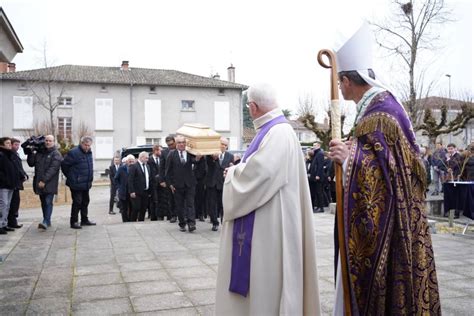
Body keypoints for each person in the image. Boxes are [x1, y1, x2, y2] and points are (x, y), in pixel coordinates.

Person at [328, 23, 440, 315]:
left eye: (340, 83)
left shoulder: (381, 114)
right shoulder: (378, 107)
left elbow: (384, 171)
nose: (339, 88)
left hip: (393, 222)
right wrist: (353, 152)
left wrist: (349, 158)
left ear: (348, 80)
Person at [214, 83, 321, 315]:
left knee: (267, 285)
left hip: (271, 223)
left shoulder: (278, 132)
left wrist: (232, 174)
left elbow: (260, 174)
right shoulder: (274, 130)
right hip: (268, 216)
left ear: (252, 107)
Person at [165, 135, 201, 233]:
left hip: (190, 183)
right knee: (180, 205)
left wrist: (197, 158)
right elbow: (168, 171)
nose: (181, 144)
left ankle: (191, 223)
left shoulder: (189, 153)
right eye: (179, 142)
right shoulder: (171, 154)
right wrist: (170, 184)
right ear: (176, 144)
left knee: (190, 204)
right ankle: (182, 223)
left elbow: (195, 161)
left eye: (183, 142)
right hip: (177, 185)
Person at [26, 135, 62, 229]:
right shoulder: (39, 153)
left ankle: (45, 221)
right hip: (39, 182)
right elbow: (31, 163)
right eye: (46, 140)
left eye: (50, 141)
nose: (48, 142)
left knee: (48, 201)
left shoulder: (56, 154)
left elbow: (53, 169)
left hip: (49, 183)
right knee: (43, 202)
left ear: (54, 142)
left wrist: (43, 180)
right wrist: (31, 152)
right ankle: (47, 220)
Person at [61, 136, 96, 229]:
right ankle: (74, 221)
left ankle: (84, 220)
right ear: (82, 143)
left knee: (85, 201)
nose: (87, 147)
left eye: (89, 145)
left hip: (86, 182)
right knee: (77, 202)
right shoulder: (74, 152)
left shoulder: (89, 152)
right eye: (86, 145)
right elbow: (64, 165)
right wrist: (71, 177)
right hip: (76, 183)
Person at [206, 137, 233, 231]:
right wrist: (213, 159)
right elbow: (207, 166)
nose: (223, 146)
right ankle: (214, 222)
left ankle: (223, 221)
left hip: (223, 183)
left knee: (223, 204)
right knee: (212, 204)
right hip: (212, 183)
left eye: (225, 145)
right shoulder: (210, 154)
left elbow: (231, 168)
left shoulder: (230, 156)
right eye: (222, 144)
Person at [0, 137, 20, 235]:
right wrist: (5, 180)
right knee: (3, 205)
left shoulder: (10, 155)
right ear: (2, 145)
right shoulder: (1, 155)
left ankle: (4, 224)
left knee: (7, 205)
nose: (10, 145)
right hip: (3, 185)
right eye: (7, 143)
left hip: (11, 185)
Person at [8, 138, 28, 229]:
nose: (17, 147)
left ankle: (13, 221)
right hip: (12, 183)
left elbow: (19, 167)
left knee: (16, 202)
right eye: (15, 144)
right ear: (11, 145)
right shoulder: (9, 155)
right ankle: (10, 221)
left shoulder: (16, 154)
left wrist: (24, 174)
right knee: (11, 203)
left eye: (18, 145)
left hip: (17, 183)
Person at [128, 151, 152, 221]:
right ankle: (132, 222)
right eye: (146, 158)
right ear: (141, 157)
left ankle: (141, 222)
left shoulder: (147, 166)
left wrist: (150, 191)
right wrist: (131, 191)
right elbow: (130, 180)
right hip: (136, 192)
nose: (147, 160)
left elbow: (148, 179)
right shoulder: (134, 166)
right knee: (136, 208)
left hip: (145, 191)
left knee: (143, 208)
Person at [161, 135, 177, 222]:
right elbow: (162, 167)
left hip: (180, 178)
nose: (170, 146)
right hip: (169, 179)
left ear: (175, 142)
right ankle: (173, 215)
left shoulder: (180, 150)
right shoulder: (164, 153)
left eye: (171, 144)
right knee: (171, 199)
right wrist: (162, 180)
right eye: (168, 145)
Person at [115, 155, 135, 222]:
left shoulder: (135, 168)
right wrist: (119, 187)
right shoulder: (121, 168)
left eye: (133, 161)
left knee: (132, 207)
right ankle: (125, 221)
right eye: (130, 161)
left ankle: (131, 220)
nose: (131, 163)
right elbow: (116, 179)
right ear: (126, 161)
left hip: (132, 191)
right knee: (124, 208)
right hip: (123, 191)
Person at [309, 141, 325, 212]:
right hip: (314, 176)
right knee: (316, 192)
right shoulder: (316, 154)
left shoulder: (320, 153)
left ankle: (321, 207)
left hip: (318, 176)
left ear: (319, 146)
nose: (313, 147)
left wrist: (318, 175)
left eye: (315, 145)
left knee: (319, 192)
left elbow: (320, 165)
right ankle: (318, 206)